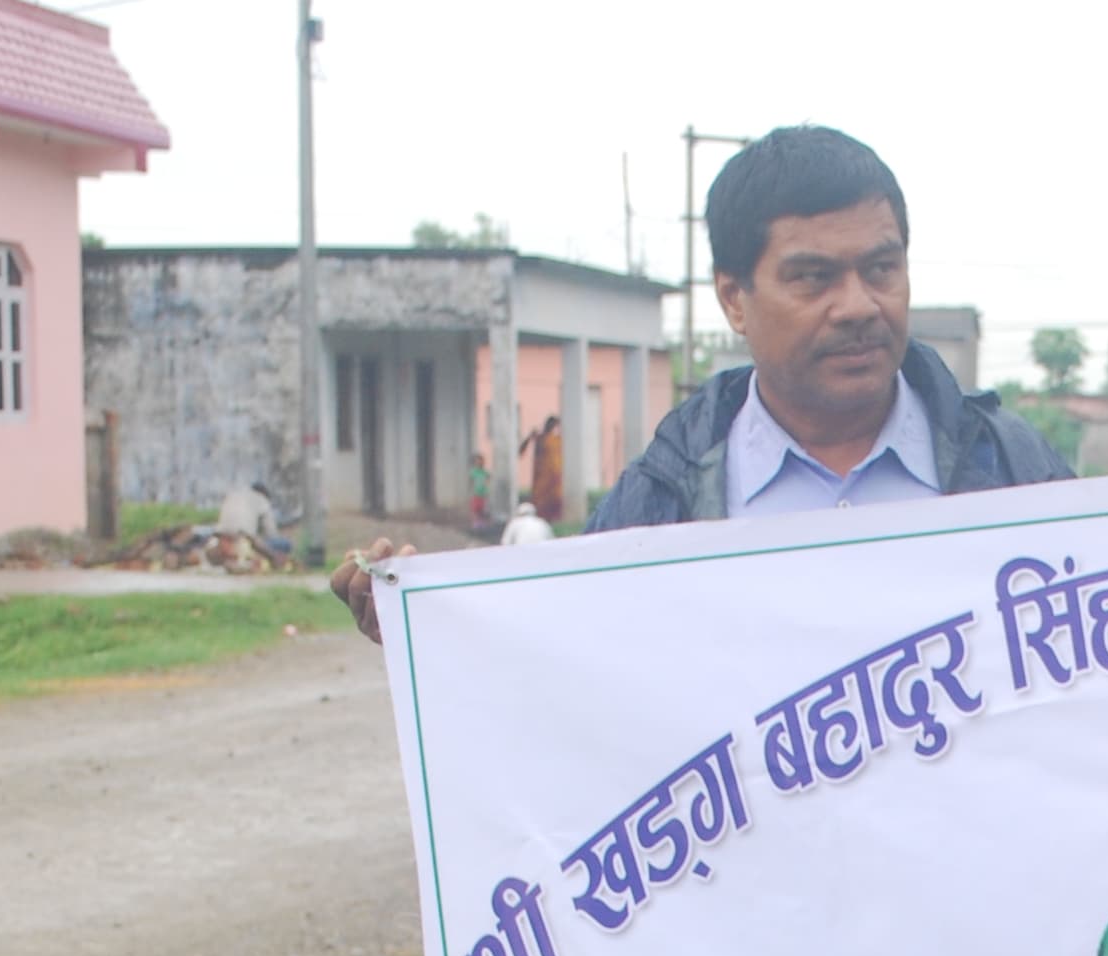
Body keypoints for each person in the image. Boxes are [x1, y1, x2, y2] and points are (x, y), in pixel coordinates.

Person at [331, 126, 1067, 635]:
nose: (858, 306)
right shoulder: (663, 501)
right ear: (734, 298)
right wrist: (428, 625)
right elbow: (566, 668)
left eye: (881, 269)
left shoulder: (1012, 470)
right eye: (813, 278)